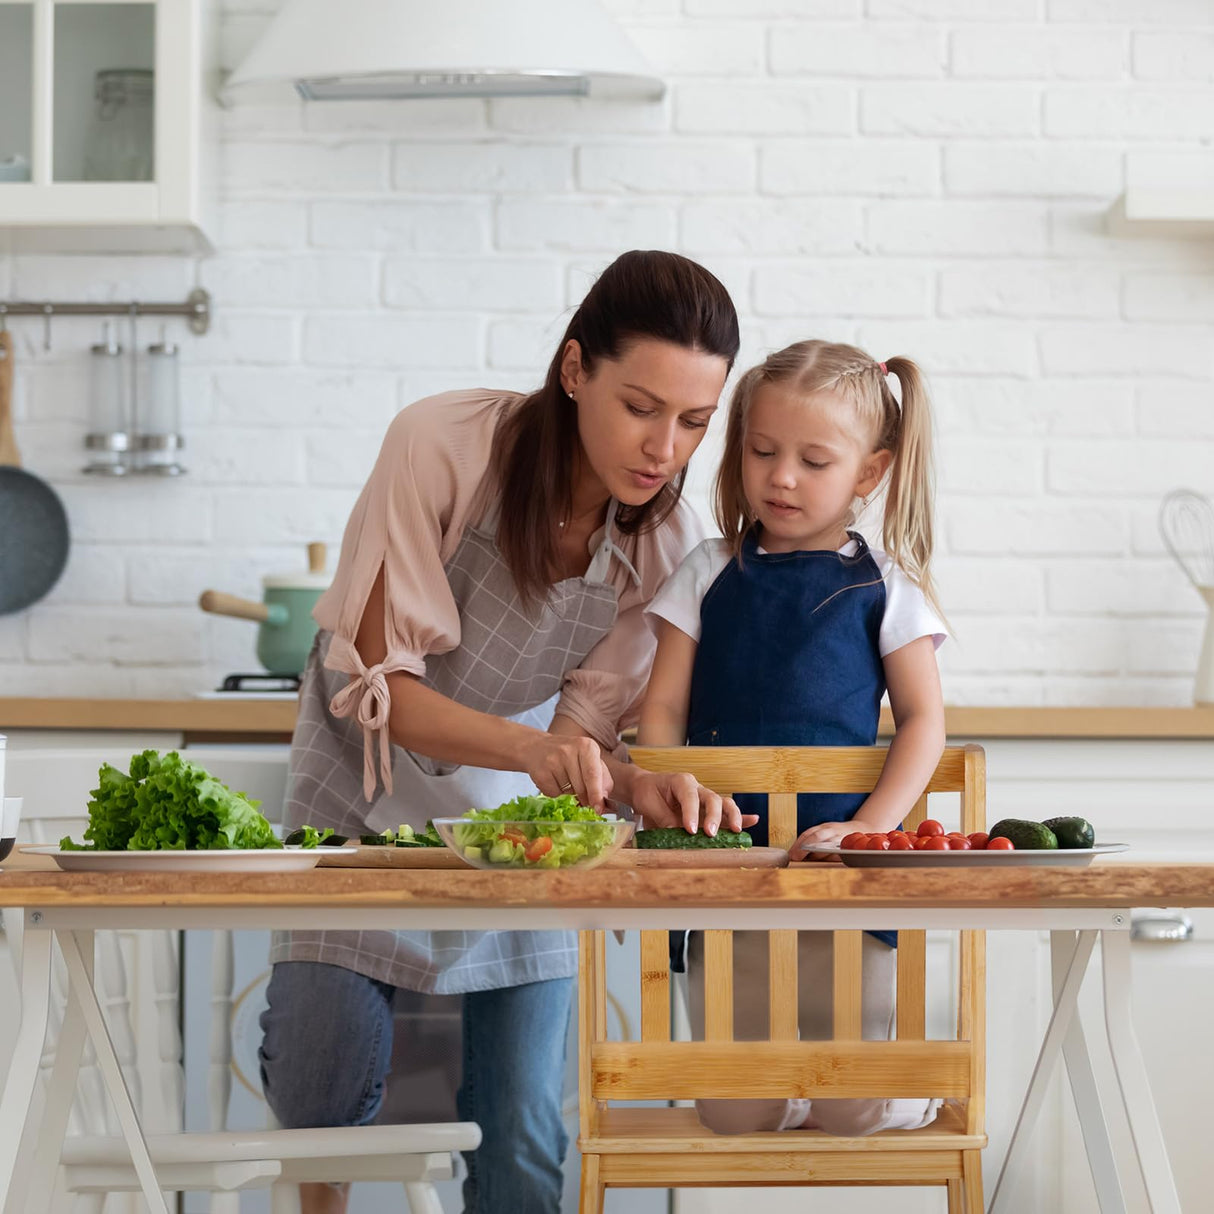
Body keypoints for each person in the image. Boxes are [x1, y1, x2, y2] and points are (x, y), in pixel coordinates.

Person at [258, 250, 751, 1214]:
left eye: (695, 420)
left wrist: (636, 783)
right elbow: (375, 688)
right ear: (575, 371)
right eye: (641, 407)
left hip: (511, 827)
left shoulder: (664, 541)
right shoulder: (441, 444)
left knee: (526, 1134)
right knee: (323, 1085)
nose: (665, 448)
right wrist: (534, 750)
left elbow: (584, 733)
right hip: (361, 795)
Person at [638, 338, 948, 1137]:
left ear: (869, 473)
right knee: (733, 1111)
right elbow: (662, 709)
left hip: (843, 877)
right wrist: (668, 799)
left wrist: (873, 828)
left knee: (852, 1109)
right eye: (763, 451)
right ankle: (788, 1099)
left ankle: (893, 1096)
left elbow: (923, 721)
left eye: (814, 460)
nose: (781, 477)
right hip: (726, 871)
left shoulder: (885, 583)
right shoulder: (707, 570)